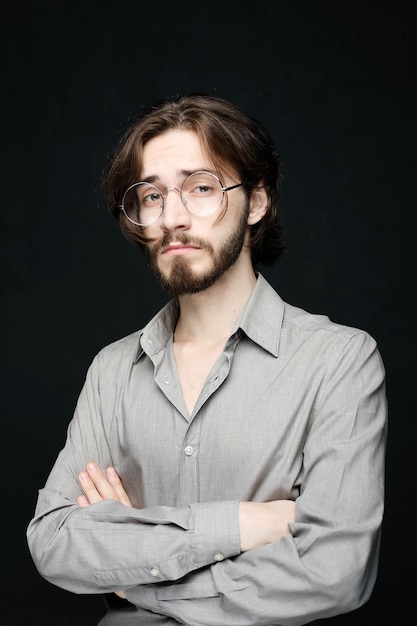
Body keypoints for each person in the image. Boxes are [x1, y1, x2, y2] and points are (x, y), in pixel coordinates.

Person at [27, 93, 388, 626]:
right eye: (152, 195)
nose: (172, 217)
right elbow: (54, 543)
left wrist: (138, 576)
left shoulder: (339, 360)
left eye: (201, 188)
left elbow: (335, 571)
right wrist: (240, 526)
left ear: (256, 203)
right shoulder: (112, 370)